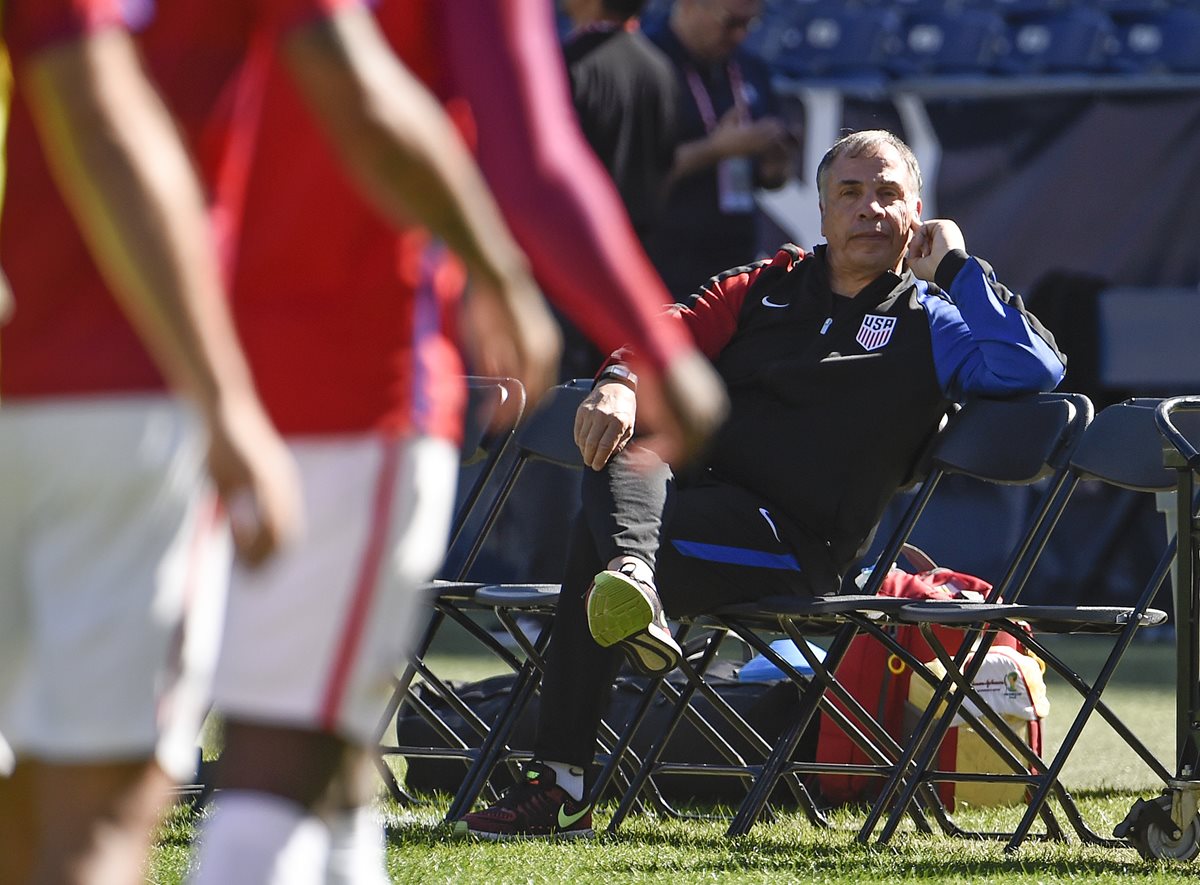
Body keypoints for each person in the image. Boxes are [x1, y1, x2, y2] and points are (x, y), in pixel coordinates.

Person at [120, 1, 729, 883]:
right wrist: (638, 333)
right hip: (344, 368)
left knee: (305, 766)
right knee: (276, 759)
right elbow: (528, 156)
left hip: (148, 357)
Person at [457, 129, 1068, 840]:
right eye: (850, 192)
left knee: (596, 547)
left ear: (917, 214)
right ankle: (634, 580)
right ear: (821, 212)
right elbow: (670, 332)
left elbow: (1035, 367)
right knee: (622, 452)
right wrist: (621, 381)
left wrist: (959, 266)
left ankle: (562, 781)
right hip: (703, 516)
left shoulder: (933, 319)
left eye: (888, 194)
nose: (869, 207)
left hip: (800, 548)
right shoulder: (767, 285)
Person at [0, 4, 303, 884]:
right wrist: (228, 399)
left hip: (60, 383)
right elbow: (100, 116)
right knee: (95, 818)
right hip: (112, 398)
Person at [645, 0, 795, 299]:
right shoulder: (646, 65)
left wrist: (773, 164)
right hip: (659, 261)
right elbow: (633, 174)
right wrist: (716, 150)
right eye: (730, 22)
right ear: (689, 6)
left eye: (749, 24)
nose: (739, 35)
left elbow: (771, 179)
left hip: (733, 259)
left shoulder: (749, 68)